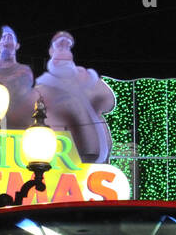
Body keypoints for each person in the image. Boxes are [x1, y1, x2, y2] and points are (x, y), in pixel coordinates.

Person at [34, 31, 115, 162]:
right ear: (51, 51)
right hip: (61, 153)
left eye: (67, 47)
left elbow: (108, 102)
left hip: (94, 153)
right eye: (59, 46)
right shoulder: (43, 89)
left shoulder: (89, 80)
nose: (63, 51)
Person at [0, 26, 38, 129]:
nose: (6, 39)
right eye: (4, 37)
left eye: (10, 37)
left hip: (18, 126)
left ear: (17, 45)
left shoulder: (24, 70)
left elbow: (19, 90)